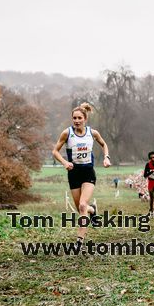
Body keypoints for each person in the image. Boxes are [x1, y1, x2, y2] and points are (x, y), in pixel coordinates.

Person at [52, 103, 111, 247]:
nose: (77, 121)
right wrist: (65, 163)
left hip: (88, 172)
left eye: (79, 118)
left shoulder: (93, 133)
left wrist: (106, 157)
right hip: (73, 173)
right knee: (81, 208)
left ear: (85, 119)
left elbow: (104, 144)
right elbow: (55, 151)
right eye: (74, 118)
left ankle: (79, 240)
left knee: (83, 205)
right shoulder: (67, 133)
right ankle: (93, 210)